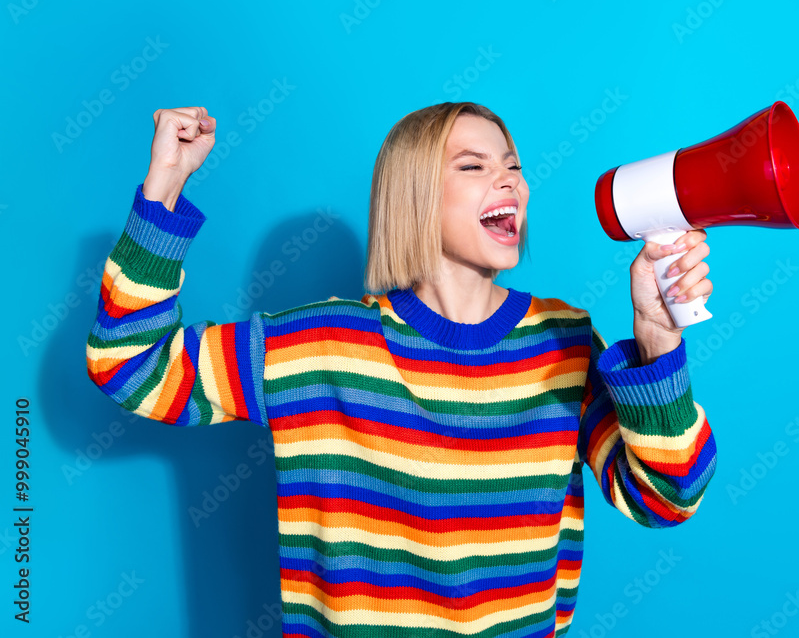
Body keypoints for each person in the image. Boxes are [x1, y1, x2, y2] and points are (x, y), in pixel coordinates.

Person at [86, 102, 718, 638]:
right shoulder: (322, 346)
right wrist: (163, 190)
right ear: (414, 195)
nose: (509, 182)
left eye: (513, 167)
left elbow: (667, 498)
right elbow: (131, 366)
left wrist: (658, 339)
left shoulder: (565, 343)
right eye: (473, 166)